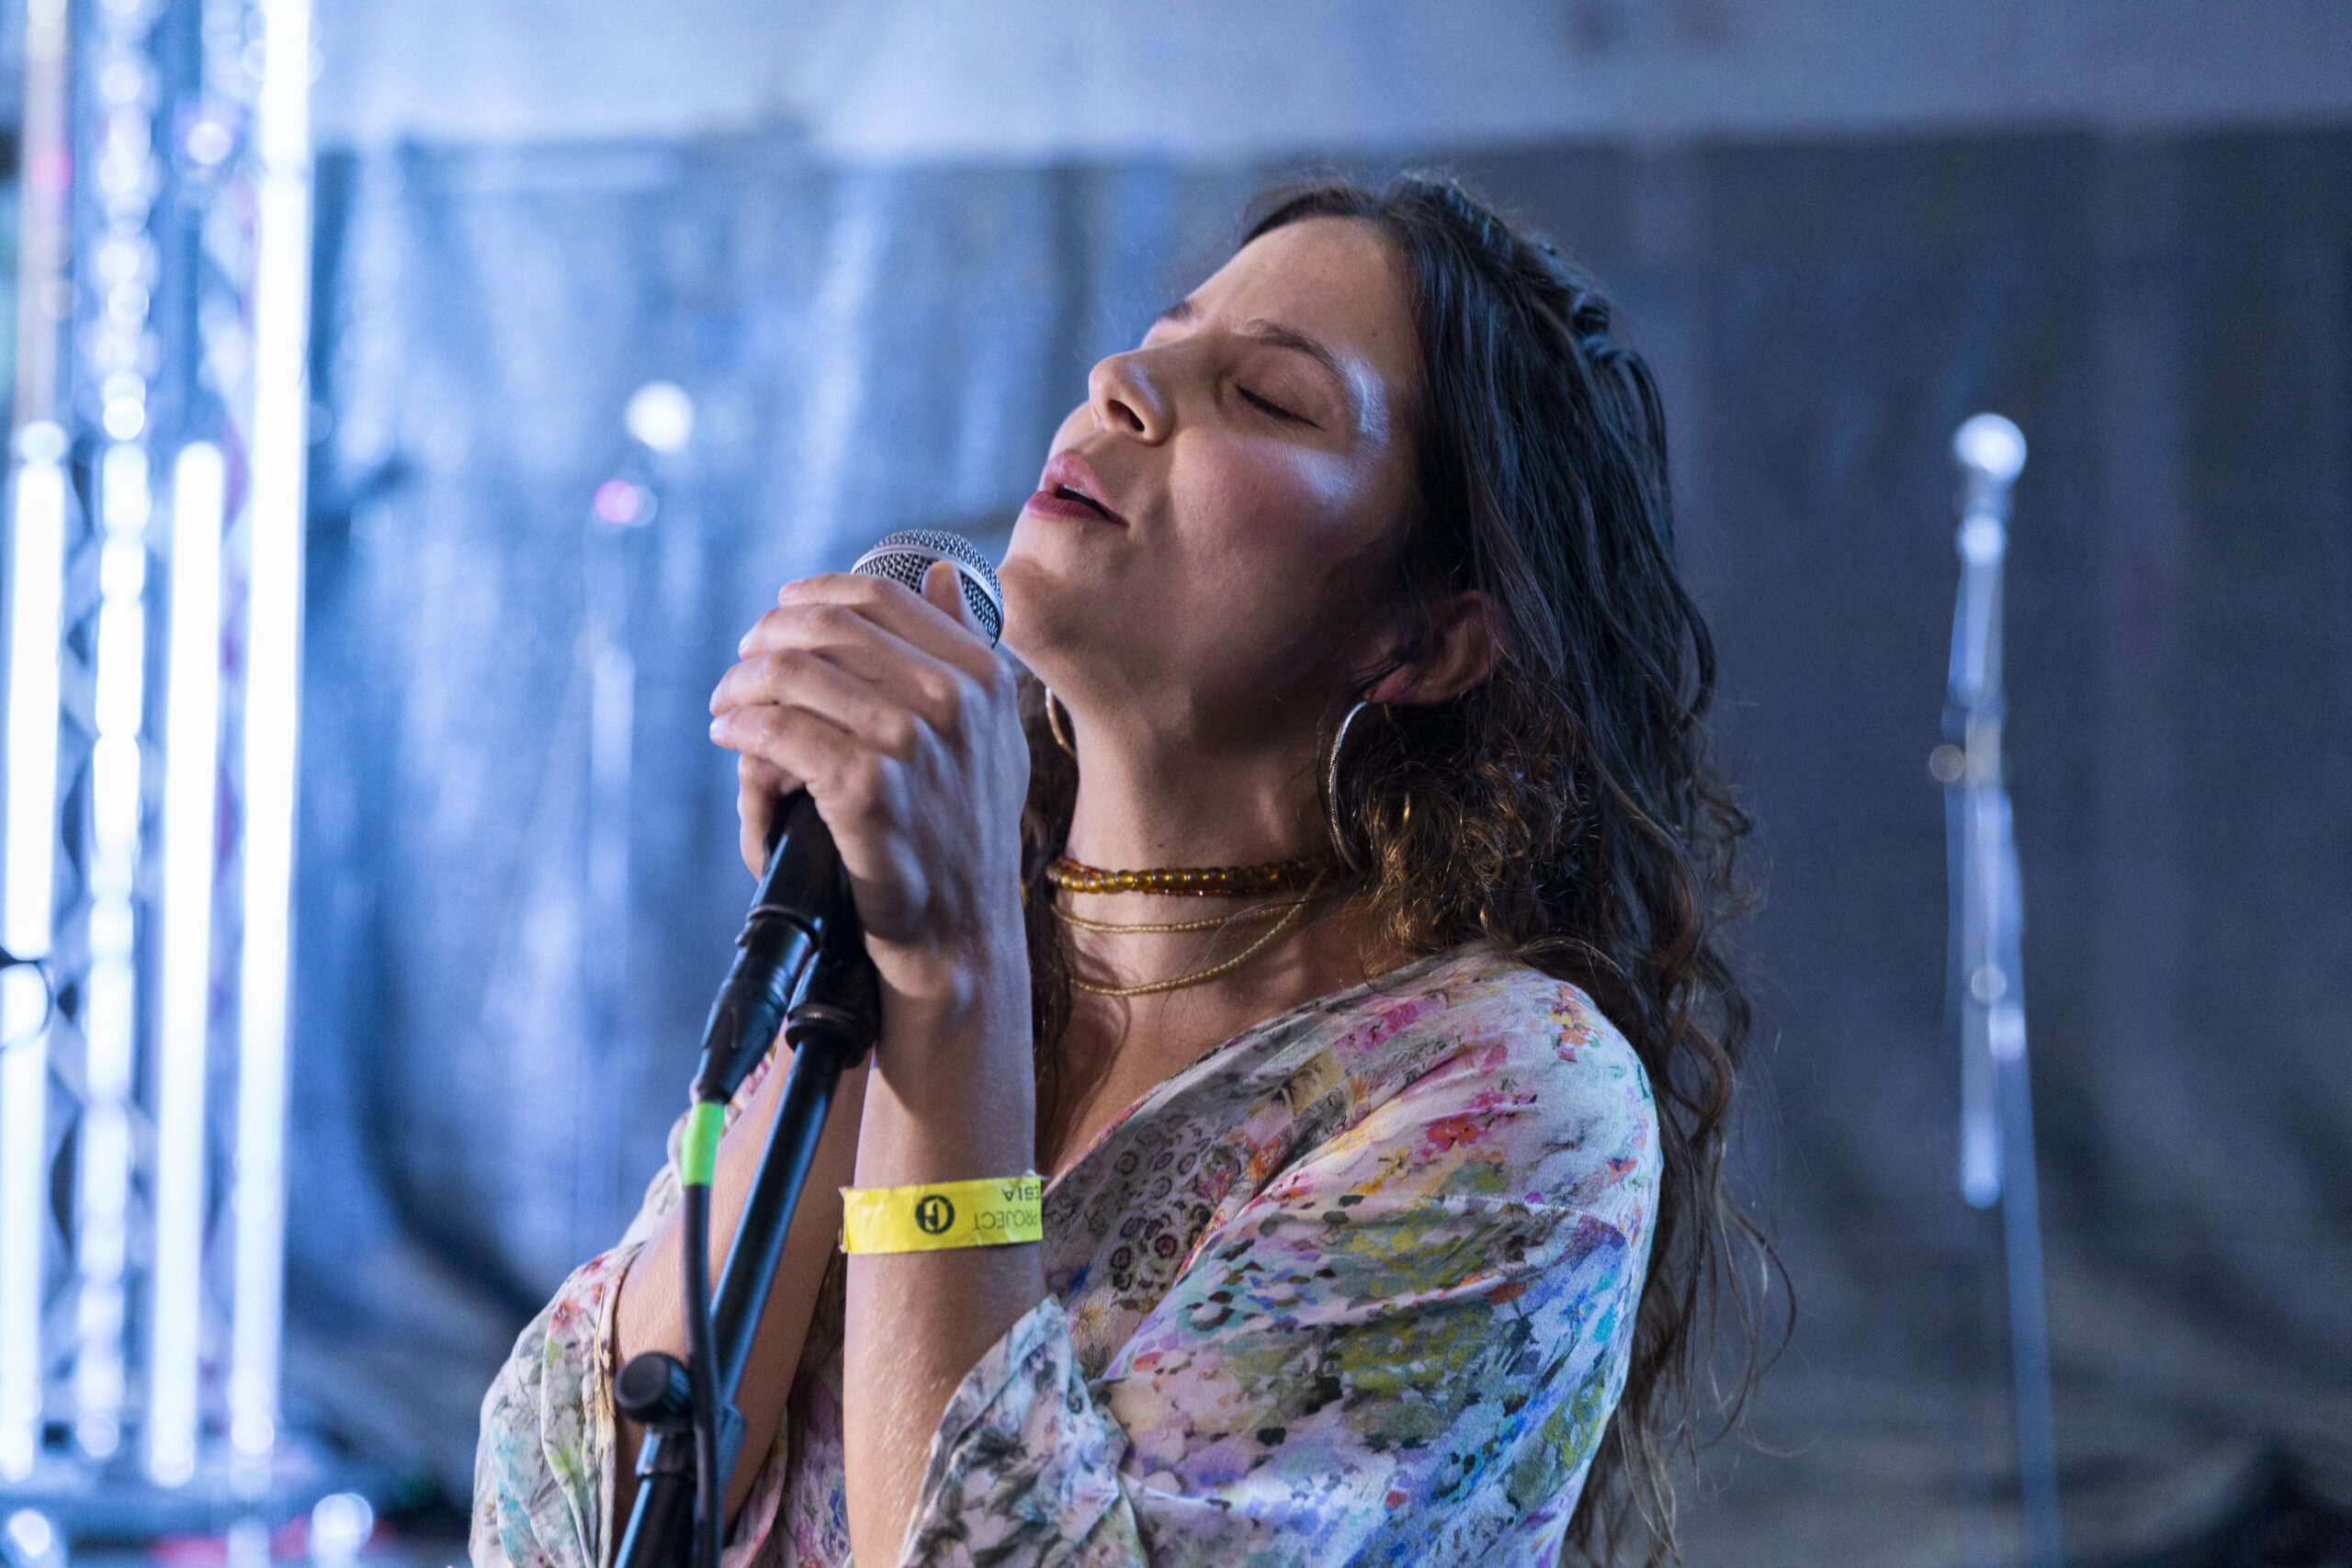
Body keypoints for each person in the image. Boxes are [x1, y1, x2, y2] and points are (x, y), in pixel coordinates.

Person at [473, 175, 1765, 1568]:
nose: (1124, 384)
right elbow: (561, 1514)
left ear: (1424, 639)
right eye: (1157, 339)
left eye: (1267, 397)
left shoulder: (1508, 1096)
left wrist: (954, 979)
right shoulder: (930, 948)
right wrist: (877, 966)